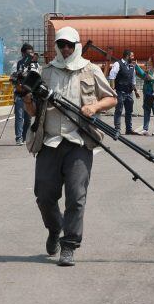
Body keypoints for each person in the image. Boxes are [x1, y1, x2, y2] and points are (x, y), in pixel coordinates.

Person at [22, 27, 117, 266]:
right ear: (56, 46)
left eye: (70, 45)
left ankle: (69, 245)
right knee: (44, 196)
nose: (65, 49)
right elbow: (33, 111)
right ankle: (55, 229)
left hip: (79, 141)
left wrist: (94, 107)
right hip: (49, 141)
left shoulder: (90, 69)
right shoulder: (46, 72)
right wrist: (24, 97)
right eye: (61, 44)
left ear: (76, 46)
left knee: (76, 197)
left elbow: (111, 97)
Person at [108, 49, 141, 134]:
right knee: (118, 110)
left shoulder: (132, 66)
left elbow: (133, 80)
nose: (133, 58)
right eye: (132, 56)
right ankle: (117, 129)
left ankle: (128, 129)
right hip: (119, 92)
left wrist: (136, 91)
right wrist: (113, 90)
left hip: (129, 93)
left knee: (129, 111)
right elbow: (112, 76)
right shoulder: (117, 64)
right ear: (127, 56)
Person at [13, 43, 40, 145]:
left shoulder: (35, 64)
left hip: (30, 94)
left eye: (31, 53)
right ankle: (18, 138)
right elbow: (16, 76)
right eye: (28, 54)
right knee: (19, 117)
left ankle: (24, 137)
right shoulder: (19, 64)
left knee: (28, 118)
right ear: (23, 54)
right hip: (20, 93)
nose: (30, 55)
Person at [135, 54, 154, 135]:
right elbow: (144, 75)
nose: (148, 61)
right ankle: (145, 129)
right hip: (148, 95)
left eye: (149, 59)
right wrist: (136, 66)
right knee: (147, 111)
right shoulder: (150, 70)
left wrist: (152, 79)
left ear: (153, 61)